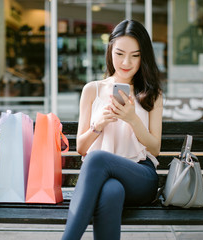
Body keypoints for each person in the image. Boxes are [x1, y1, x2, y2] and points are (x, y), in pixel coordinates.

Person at [62, 19, 163, 240]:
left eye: (135, 55)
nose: (126, 62)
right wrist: (98, 126)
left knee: (97, 158)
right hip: (106, 179)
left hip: (141, 176)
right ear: (110, 51)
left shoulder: (152, 94)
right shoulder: (92, 90)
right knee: (111, 191)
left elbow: (155, 149)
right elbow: (81, 147)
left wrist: (132, 119)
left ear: (143, 56)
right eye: (119, 54)